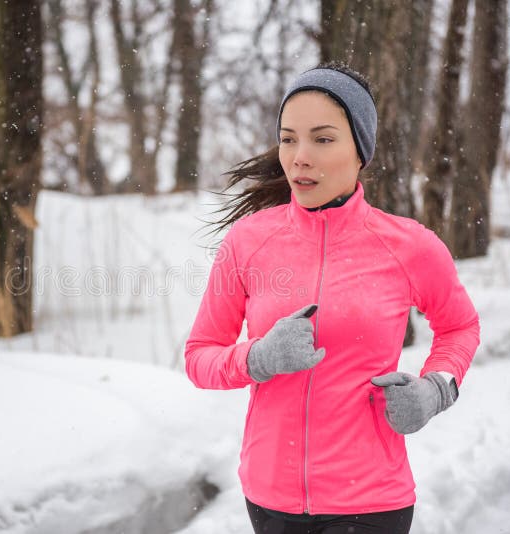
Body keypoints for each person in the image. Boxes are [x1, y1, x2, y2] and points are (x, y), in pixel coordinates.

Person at [184, 63, 480, 534]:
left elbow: (460, 326)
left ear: (360, 151)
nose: (300, 157)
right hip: (269, 498)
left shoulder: (409, 246)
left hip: (371, 501)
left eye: (322, 139)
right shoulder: (249, 241)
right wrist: (258, 358)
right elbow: (199, 357)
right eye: (288, 138)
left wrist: (436, 390)